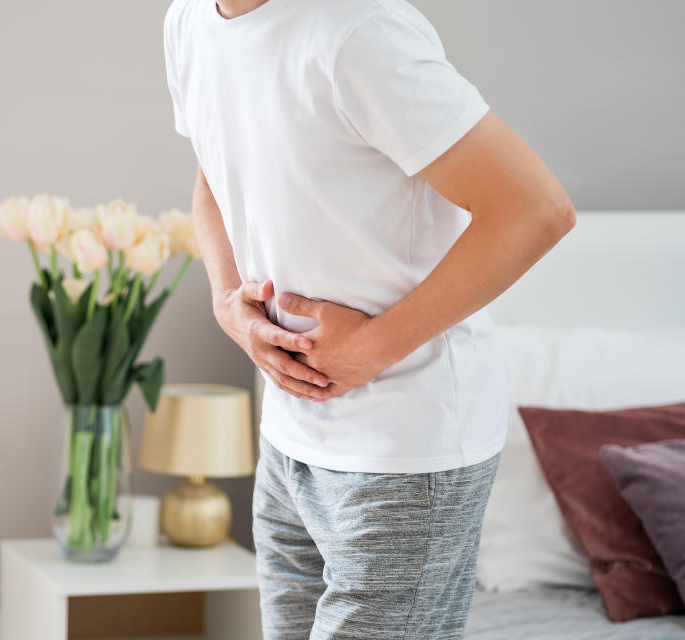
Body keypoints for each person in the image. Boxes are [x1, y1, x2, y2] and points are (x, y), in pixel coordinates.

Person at [162, 0, 575, 637]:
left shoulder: (358, 30)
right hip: (289, 438)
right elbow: (215, 174)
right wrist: (226, 302)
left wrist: (373, 348)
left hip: (404, 449)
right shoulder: (190, 21)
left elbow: (535, 209)